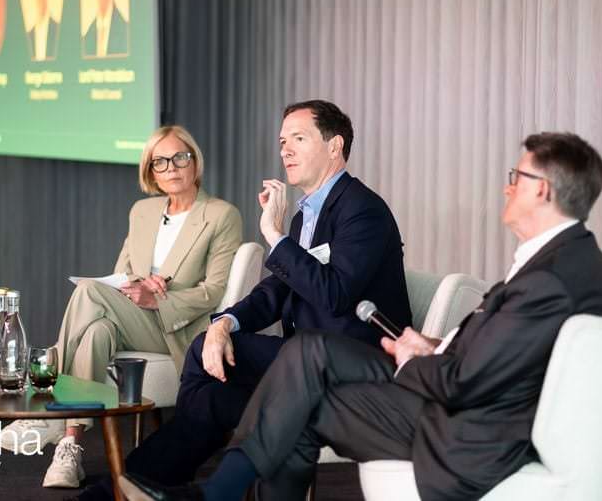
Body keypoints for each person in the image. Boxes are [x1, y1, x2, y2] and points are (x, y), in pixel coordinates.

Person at [130, 132, 602, 501]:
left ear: (545, 190)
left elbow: (464, 383)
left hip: (465, 436)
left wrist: (415, 359)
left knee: (300, 388)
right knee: (296, 376)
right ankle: (199, 487)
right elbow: (498, 357)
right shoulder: (563, 262)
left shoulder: (550, 280)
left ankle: (208, 493)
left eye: (517, 177)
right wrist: (436, 346)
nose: (506, 187)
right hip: (459, 401)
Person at [75, 99, 413, 499]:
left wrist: (274, 235)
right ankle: (125, 487)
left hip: (347, 366)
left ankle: (133, 487)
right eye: (282, 140)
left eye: (298, 139)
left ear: (335, 146)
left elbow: (333, 294)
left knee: (208, 405)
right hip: (298, 358)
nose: (285, 149)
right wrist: (225, 322)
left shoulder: (363, 211)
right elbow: (275, 291)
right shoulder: (308, 214)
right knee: (207, 354)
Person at [0, 125, 243, 489]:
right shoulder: (142, 211)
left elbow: (214, 292)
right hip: (134, 315)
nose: (172, 167)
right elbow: (123, 273)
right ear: (151, 172)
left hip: (179, 328)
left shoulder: (221, 215)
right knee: (96, 331)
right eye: (161, 162)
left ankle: (46, 397)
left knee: (89, 293)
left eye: (180, 157)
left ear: (195, 162)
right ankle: (70, 448)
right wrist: (139, 285)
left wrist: (160, 296)